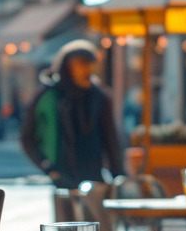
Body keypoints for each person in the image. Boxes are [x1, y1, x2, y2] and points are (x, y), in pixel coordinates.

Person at [20, 40, 125, 189]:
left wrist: (118, 174)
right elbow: (26, 137)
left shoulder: (99, 96)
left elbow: (111, 138)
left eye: (90, 63)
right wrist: (48, 167)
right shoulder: (49, 96)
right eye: (81, 64)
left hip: (94, 175)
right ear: (67, 67)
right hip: (63, 177)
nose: (87, 69)